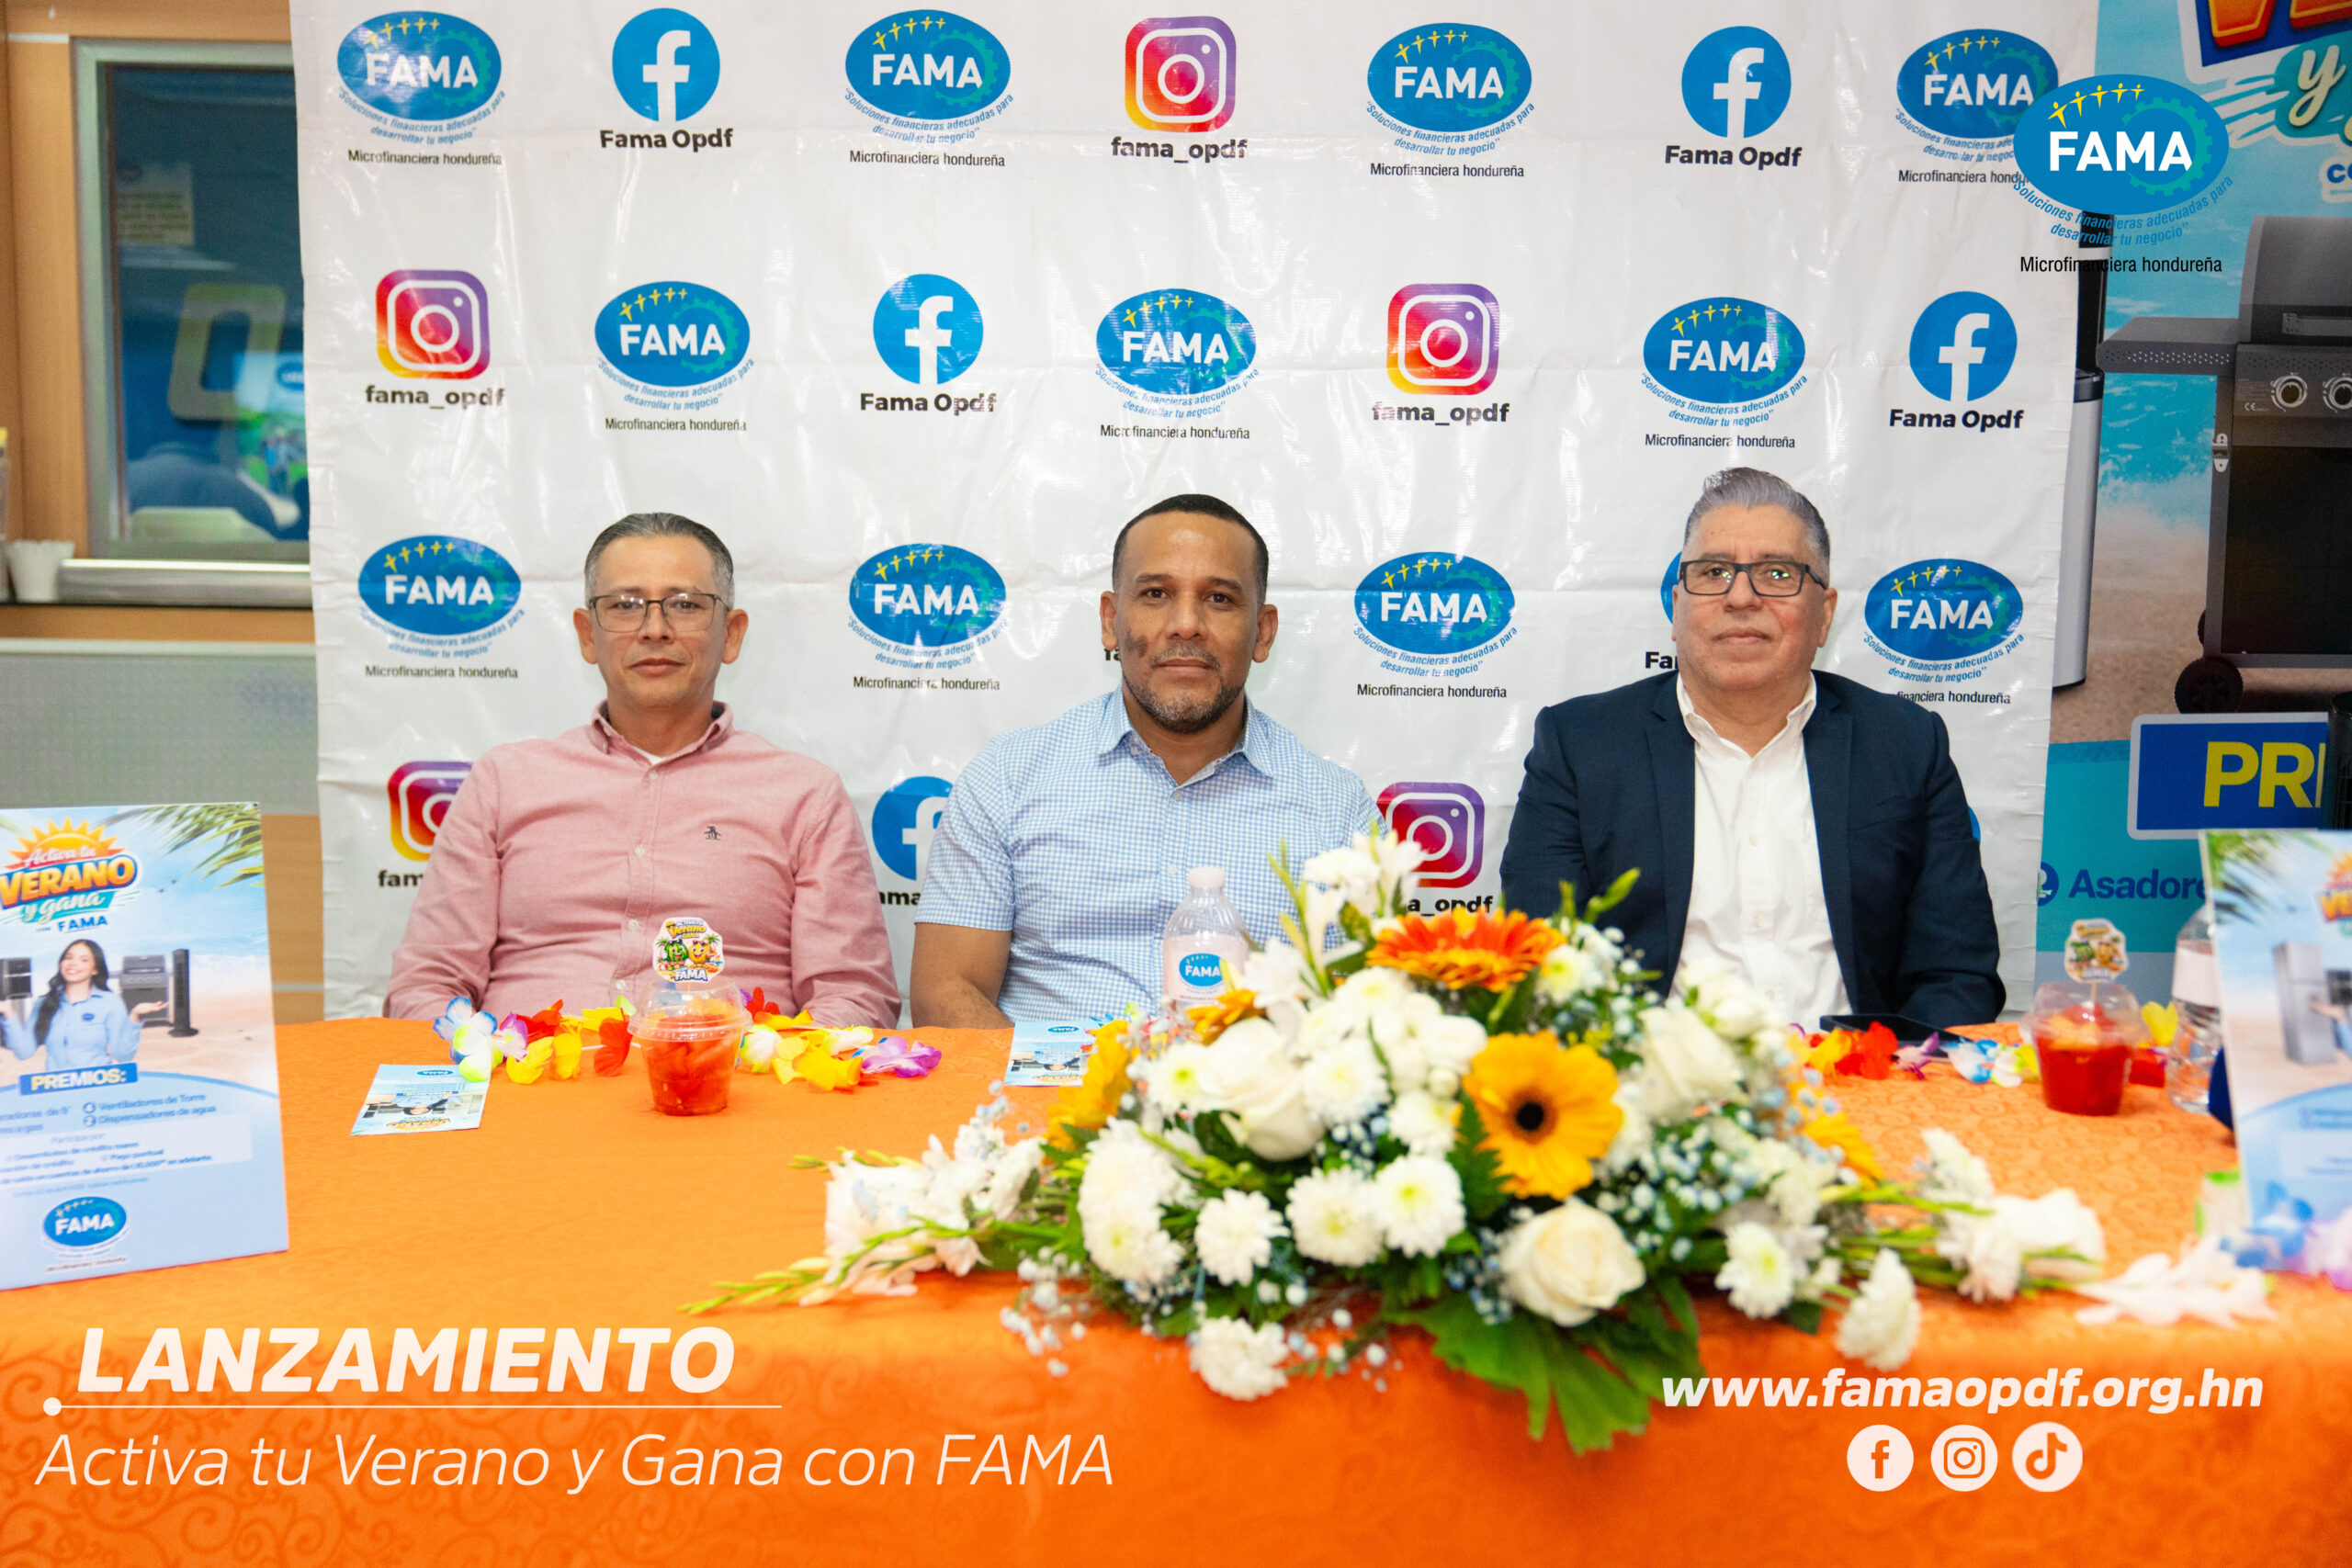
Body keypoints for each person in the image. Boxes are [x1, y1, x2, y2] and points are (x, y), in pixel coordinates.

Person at [1499, 468, 2003, 1032]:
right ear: (1677, 607)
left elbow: (1955, 975)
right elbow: (1543, 964)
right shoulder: (1579, 745)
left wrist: (1893, 1076)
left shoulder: (1906, 743)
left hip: (1861, 1075)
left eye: (1777, 574)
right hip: (1655, 1076)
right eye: (1713, 572)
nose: (1741, 596)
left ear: (1825, 614)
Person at [385, 512, 899, 1024]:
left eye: (685, 604)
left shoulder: (804, 795)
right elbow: (427, 985)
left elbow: (852, 995)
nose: (655, 630)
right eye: (625, 606)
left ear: (731, 634)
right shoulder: (505, 782)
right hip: (523, 1069)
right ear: (587, 635)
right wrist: (477, 1059)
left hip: (729, 1071)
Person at [913, 493, 1372, 1025]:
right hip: (1048, 1080)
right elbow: (946, 991)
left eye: (1219, 598)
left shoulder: (1337, 810)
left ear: (1262, 632)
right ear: (1111, 621)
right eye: (1156, 594)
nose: (1186, 624)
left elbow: (1367, 1011)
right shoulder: (1007, 778)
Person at [2, 941, 160, 1070]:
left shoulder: (110, 1002)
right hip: (56, 1089)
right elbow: (24, 1052)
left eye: (83, 960)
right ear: (61, 963)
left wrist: (135, 1017)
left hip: (98, 1088)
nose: (73, 964)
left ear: (95, 969)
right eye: (68, 958)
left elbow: (123, 1055)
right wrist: (7, 1013)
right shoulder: (44, 1003)